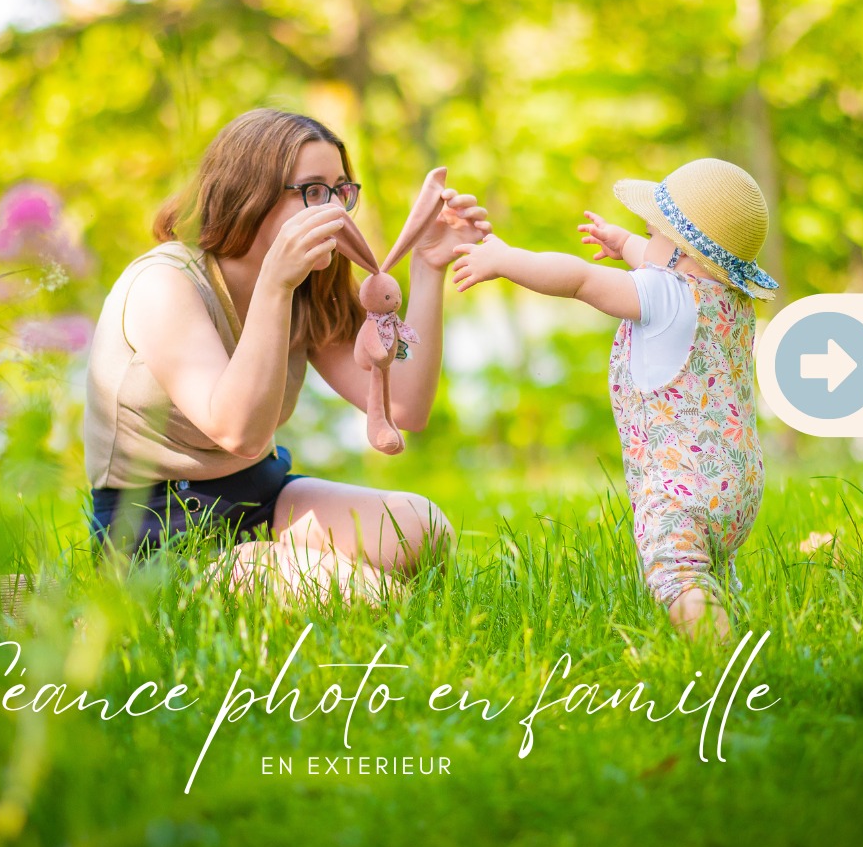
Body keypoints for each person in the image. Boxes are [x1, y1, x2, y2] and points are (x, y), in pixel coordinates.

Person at [84, 108, 490, 597]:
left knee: (422, 529)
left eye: (342, 191)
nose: (336, 211)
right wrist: (274, 287)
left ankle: (272, 562)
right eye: (313, 192)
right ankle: (237, 574)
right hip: (160, 530)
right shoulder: (165, 284)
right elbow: (239, 432)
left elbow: (405, 404)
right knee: (374, 595)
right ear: (248, 193)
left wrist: (427, 268)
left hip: (264, 499)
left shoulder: (309, 286)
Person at [451, 158, 777, 638]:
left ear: (680, 254)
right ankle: (741, 632)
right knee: (710, 571)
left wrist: (505, 260)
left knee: (678, 575)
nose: (646, 236)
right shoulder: (730, 299)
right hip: (740, 484)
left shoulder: (663, 294)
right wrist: (624, 243)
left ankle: (723, 662)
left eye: (657, 234)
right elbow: (666, 262)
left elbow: (578, 279)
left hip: (680, 488)